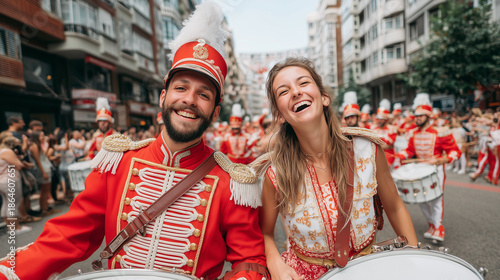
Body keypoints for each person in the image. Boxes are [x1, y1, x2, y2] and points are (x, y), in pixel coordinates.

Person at [0, 3, 267, 280]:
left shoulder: (232, 183)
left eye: (204, 94)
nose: (189, 99)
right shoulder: (118, 163)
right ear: (163, 97)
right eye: (181, 88)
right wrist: (10, 272)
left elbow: (250, 261)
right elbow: (67, 238)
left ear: (215, 111)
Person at [255, 57, 417, 280]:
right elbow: (264, 232)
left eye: (303, 83)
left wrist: (414, 260)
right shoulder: (275, 174)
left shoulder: (367, 149)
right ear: (280, 115)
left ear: (324, 97)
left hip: (369, 270)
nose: (295, 92)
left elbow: (396, 207)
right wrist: (275, 264)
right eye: (283, 92)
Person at [396, 93, 461, 242]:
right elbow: (410, 150)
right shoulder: (413, 134)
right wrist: (400, 155)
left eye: (420, 116)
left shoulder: (441, 132)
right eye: (416, 116)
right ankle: (432, 224)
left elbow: (455, 151)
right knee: (421, 198)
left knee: (436, 198)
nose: (417, 119)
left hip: (435, 170)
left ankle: (439, 229)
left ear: (428, 116)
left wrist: (443, 159)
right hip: (420, 169)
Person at [0, 134, 33, 234]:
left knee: (6, 203)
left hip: (3, 181)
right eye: (18, 144)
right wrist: (22, 162)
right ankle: (16, 228)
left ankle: (11, 227)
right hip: (10, 180)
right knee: (13, 204)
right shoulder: (8, 152)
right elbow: (18, 166)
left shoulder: (2, 151)